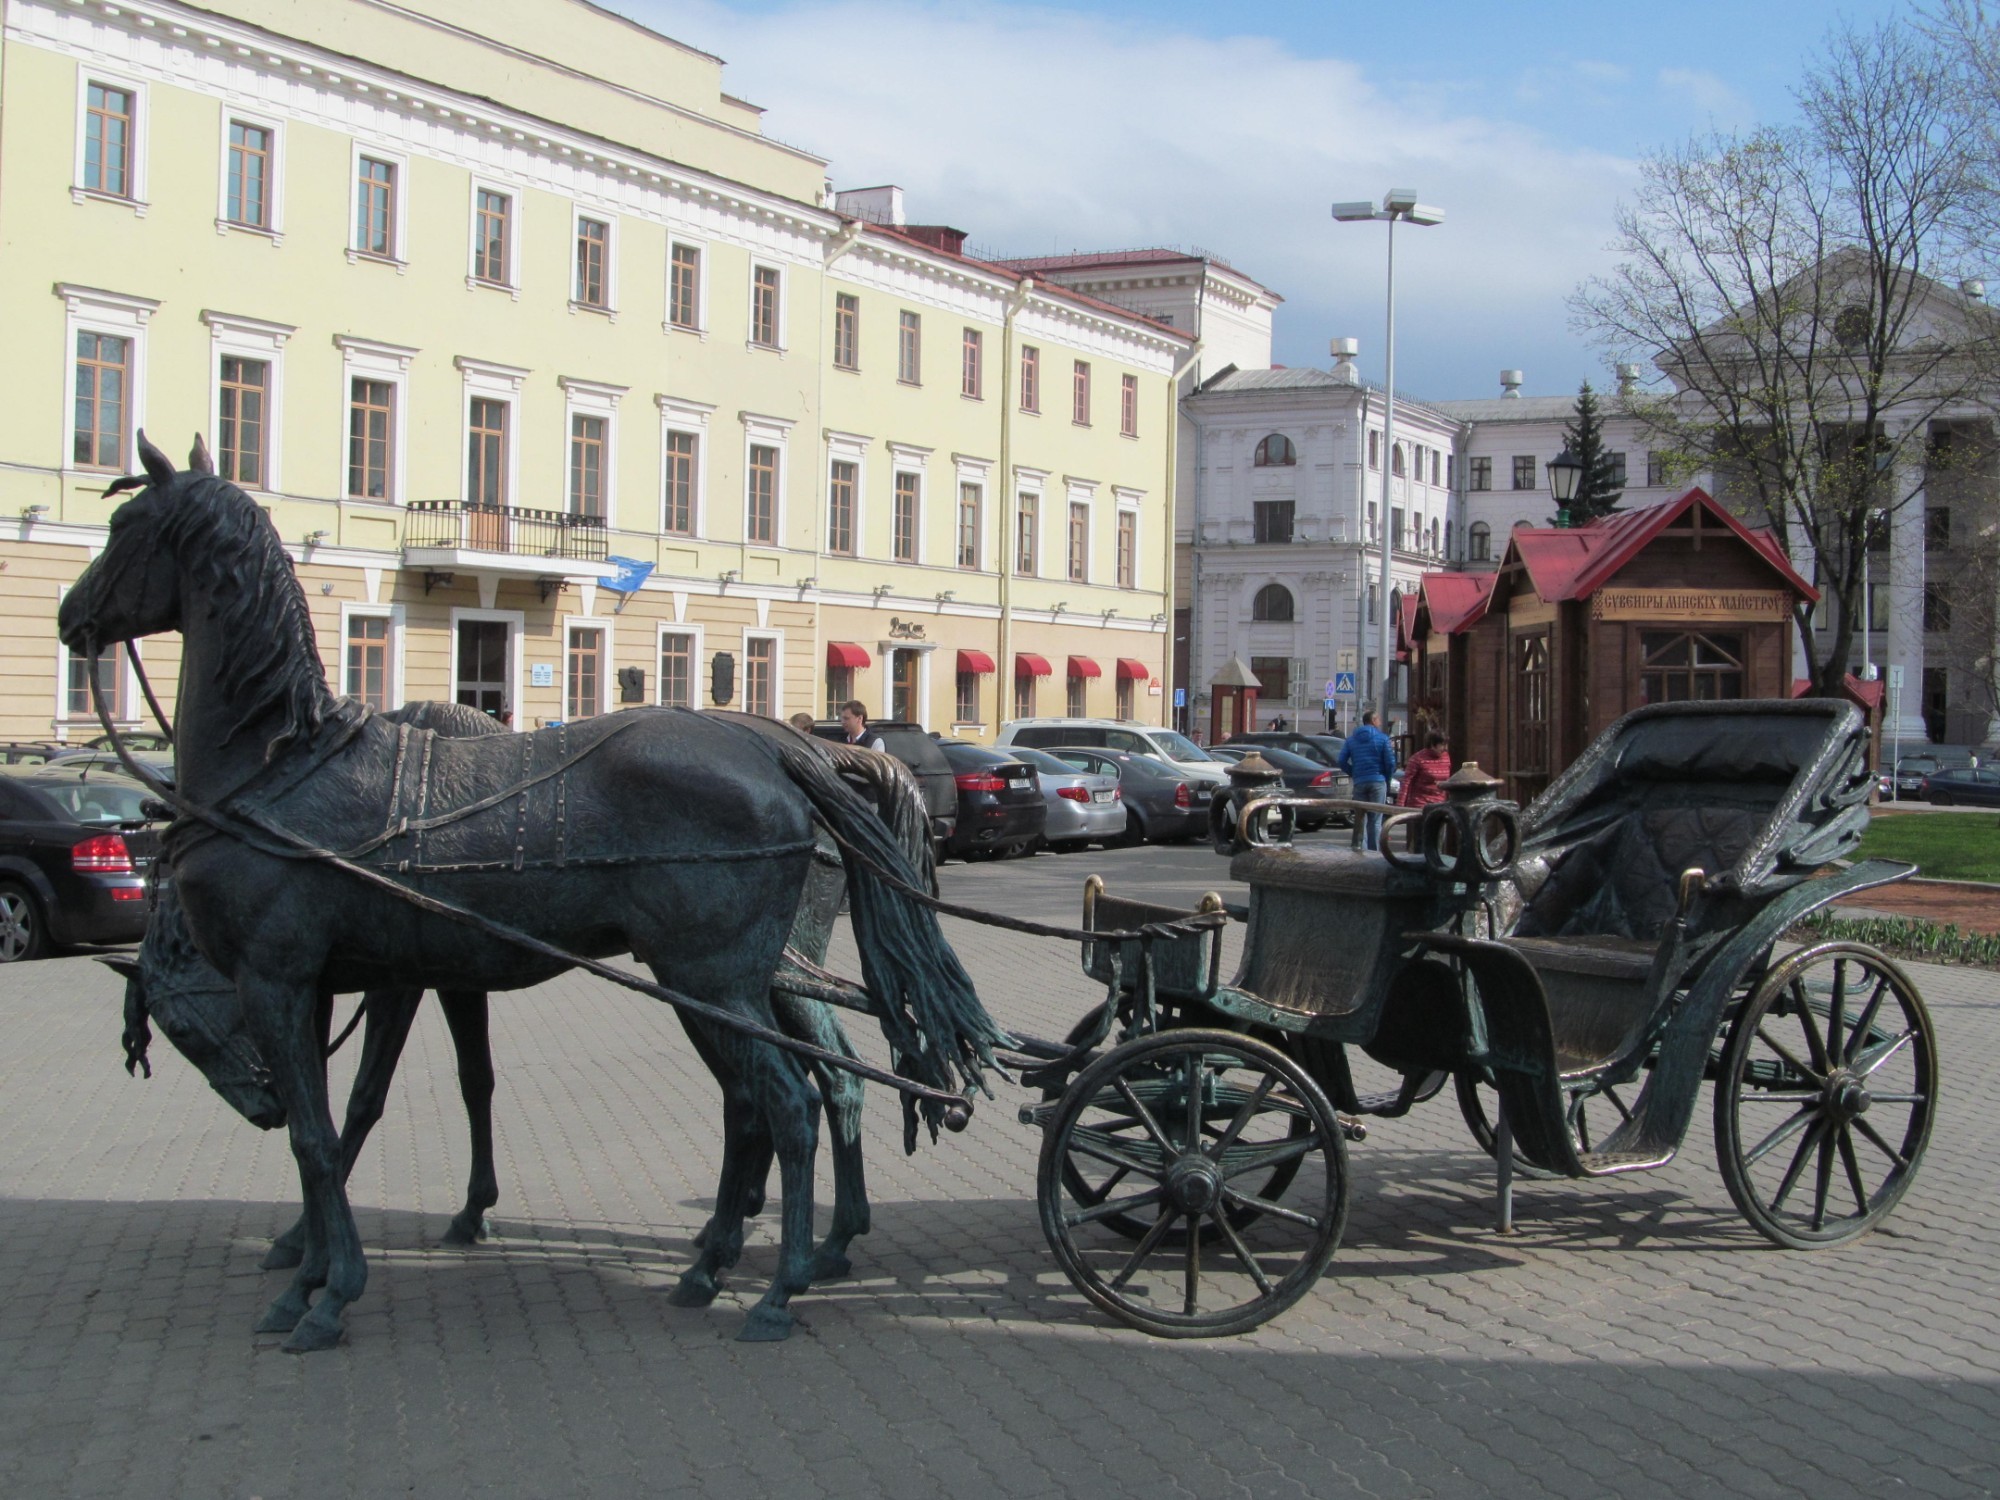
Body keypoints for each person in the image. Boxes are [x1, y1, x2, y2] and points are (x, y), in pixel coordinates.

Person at [1337, 709, 1398, 853]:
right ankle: (1374, 852)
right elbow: (1390, 762)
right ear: (1374, 721)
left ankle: (1360, 850)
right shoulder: (1382, 739)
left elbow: (1341, 760)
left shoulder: (1351, 740)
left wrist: (1353, 772)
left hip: (1359, 782)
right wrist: (1387, 778)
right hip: (1378, 780)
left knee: (1361, 818)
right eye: (1379, 720)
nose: (1380, 722)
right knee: (1376, 819)